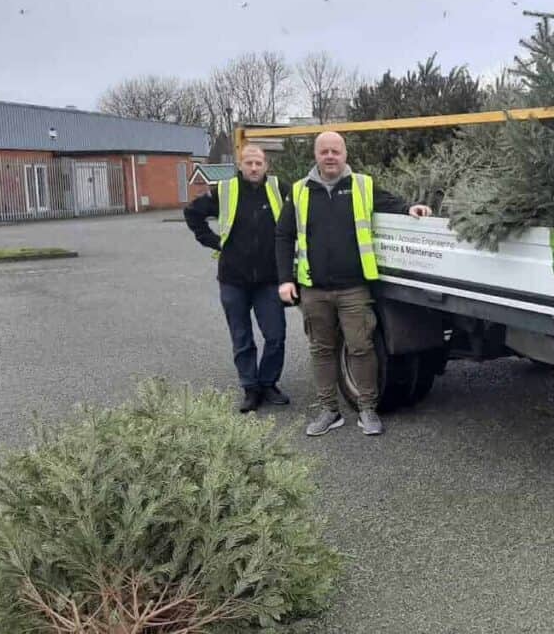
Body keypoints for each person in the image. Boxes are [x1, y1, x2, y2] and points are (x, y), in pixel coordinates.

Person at [275, 131, 431, 436]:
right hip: (314, 289)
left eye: (335, 151)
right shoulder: (299, 191)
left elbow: (390, 203)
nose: (330, 156)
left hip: (353, 289)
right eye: (324, 152)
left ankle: (367, 409)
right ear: (316, 156)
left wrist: (410, 208)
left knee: (361, 348)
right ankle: (328, 411)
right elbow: (283, 236)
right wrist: (284, 279)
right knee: (321, 350)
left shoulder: (362, 185)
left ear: (345, 155)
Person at [184, 144, 291, 413]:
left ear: (266, 165)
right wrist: (213, 241)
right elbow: (192, 213)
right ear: (240, 165)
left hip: (269, 279)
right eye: (249, 163)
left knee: (275, 335)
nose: (254, 168)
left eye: (258, 163)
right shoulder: (225, 191)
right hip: (234, 279)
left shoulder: (281, 189)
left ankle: (268, 383)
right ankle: (250, 388)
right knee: (241, 337)